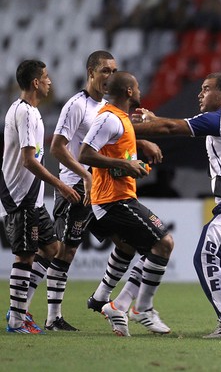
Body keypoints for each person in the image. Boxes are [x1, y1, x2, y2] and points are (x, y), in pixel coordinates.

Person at [131, 72, 221, 339]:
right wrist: (155, 119)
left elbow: (170, 129)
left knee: (206, 255)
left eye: (206, 89)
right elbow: (173, 123)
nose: (200, 94)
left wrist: (122, 127)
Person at [48, 50, 163, 331]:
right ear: (91, 73)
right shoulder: (77, 105)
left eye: (113, 71)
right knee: (63, 251)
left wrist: (140, 141)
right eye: (105, 71)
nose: (109, 76)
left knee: (125, 244)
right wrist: (82, 175)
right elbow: (57, 148)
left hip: (102, 189)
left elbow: (115, 138)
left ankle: (101, 299)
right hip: (77, 185)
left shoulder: (107, 109)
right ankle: (51, 317)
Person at [78, 71, 173, 337]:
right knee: (164, 244)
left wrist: (136, 156)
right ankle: (141, 309)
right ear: (129, 91)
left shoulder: (119, 118)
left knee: (141, 250)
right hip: (112, 201)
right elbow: (85, 154)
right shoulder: (108, 117)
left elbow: (116, 147)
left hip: (117, 197)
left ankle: (115, 305)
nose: (141, 89)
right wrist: (125, 164)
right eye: (138, 86)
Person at [2, 60, 81, 334]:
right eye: (46, 77)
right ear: (36, 82)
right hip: (21, 195)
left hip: (32, 198)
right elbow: (27, 160)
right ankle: (15, 320)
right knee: (25, 256)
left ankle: (19, 308)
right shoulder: (24, 112)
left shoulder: (30, 111)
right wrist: (59, 184)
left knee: (52, 250)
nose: (50, 81)